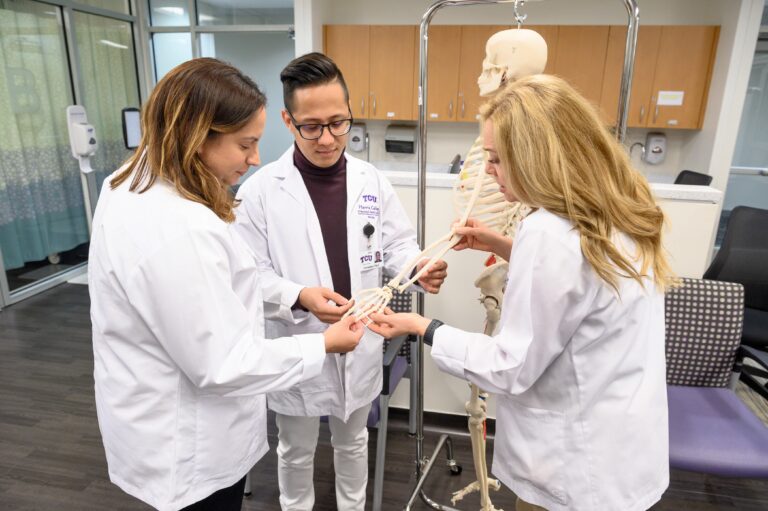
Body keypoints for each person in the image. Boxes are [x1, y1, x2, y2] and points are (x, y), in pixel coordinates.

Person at [368, 74, 673, 511]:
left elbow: (510, 366)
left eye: (496, 159)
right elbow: (586, 282)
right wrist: (504, 245)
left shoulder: (548, 233)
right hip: (620, 447)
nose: (488, 173)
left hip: (574, 467)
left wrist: (423, 326)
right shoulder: (620, 205)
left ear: (536, 157)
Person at [88, 58, 364, 511]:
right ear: (198, 134)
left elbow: (211, 290)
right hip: (189, 444)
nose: (254, 158)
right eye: (245, 144)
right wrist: (323, 346)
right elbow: (222, 363)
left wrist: (295, 294)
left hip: (152, 419)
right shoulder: (180, 227)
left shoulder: (127, 185)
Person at [233, 52, 447, 511]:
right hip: (297, 337)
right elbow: (250, 275)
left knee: (354, 441)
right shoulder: (260, 192)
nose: (328, 138)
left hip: (359, 337)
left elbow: (397, 247)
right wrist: (301, 297)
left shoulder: (372, 181)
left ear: (350, 113)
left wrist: (419, 267)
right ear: (289, 122)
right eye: (312, 126)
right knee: (296, 447)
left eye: (338, 122)